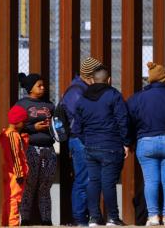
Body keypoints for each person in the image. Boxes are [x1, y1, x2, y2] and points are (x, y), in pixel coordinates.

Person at [128, 62, 165, 226]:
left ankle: (153, 217)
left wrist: (129, 140)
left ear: (150, 80)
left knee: (151, 181)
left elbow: (127, 120)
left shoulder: (137, 98)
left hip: (146, 142)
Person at [74, 66, 130, 226]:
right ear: (109, 80)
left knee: (93, 181)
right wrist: (126, 142)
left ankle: (94, 218)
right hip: (111, 145)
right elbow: (123, 120)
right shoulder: (114, 95)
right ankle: (113, 217)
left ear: (92, 80)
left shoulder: (82, 99)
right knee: (108, 183)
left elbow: (77, 128)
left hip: (90, 147)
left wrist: (88, 141)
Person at [58, 56, 103, 225]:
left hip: (86, 140)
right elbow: (81, 119)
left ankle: (86, 216)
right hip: (81, 140)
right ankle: (80, 218)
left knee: (89, 179)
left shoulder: (83, 89)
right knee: (84, 179)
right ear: (90, 75)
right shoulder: (76, 91)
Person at [16, 73, 56, 226]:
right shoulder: (22, 104)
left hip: (48, 149)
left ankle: (47, 220)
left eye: (43, 85)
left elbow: (57, 124)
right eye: (39, 85)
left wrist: (53, 127)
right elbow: (16, 125)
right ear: (30, 88)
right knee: (29, 185)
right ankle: (25, 219)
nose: (42, 88)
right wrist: (33, 127)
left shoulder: (50, 105)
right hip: (30, 148)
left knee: (45, 185)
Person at [0, 105, 30, 227]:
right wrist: (20, 174)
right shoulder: (12, 136)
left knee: (9, 198)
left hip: (10, 172)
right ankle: (13, 224)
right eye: (23, 121)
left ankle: (6, 223)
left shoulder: (10, 134)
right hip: (14, 174)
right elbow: (15, 156)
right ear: (17, 121)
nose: (24, 124)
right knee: (14, 200)